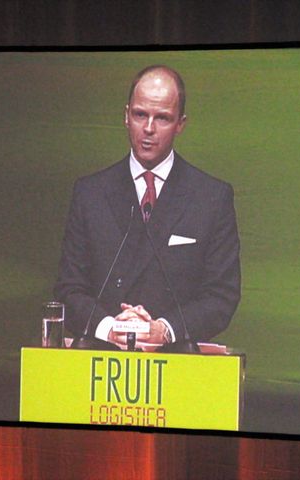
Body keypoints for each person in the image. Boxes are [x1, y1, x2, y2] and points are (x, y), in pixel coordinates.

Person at [54, 65, 241, 348]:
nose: (149, 129)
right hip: (100, 360)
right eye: (140, 115)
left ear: (181, 124)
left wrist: (164, 330)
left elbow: (221, 297)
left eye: (162, 118)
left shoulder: (212, 198)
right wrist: (111, 328)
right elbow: (69, 289)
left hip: (177, 362)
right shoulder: (90, 193)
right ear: (126, 116)